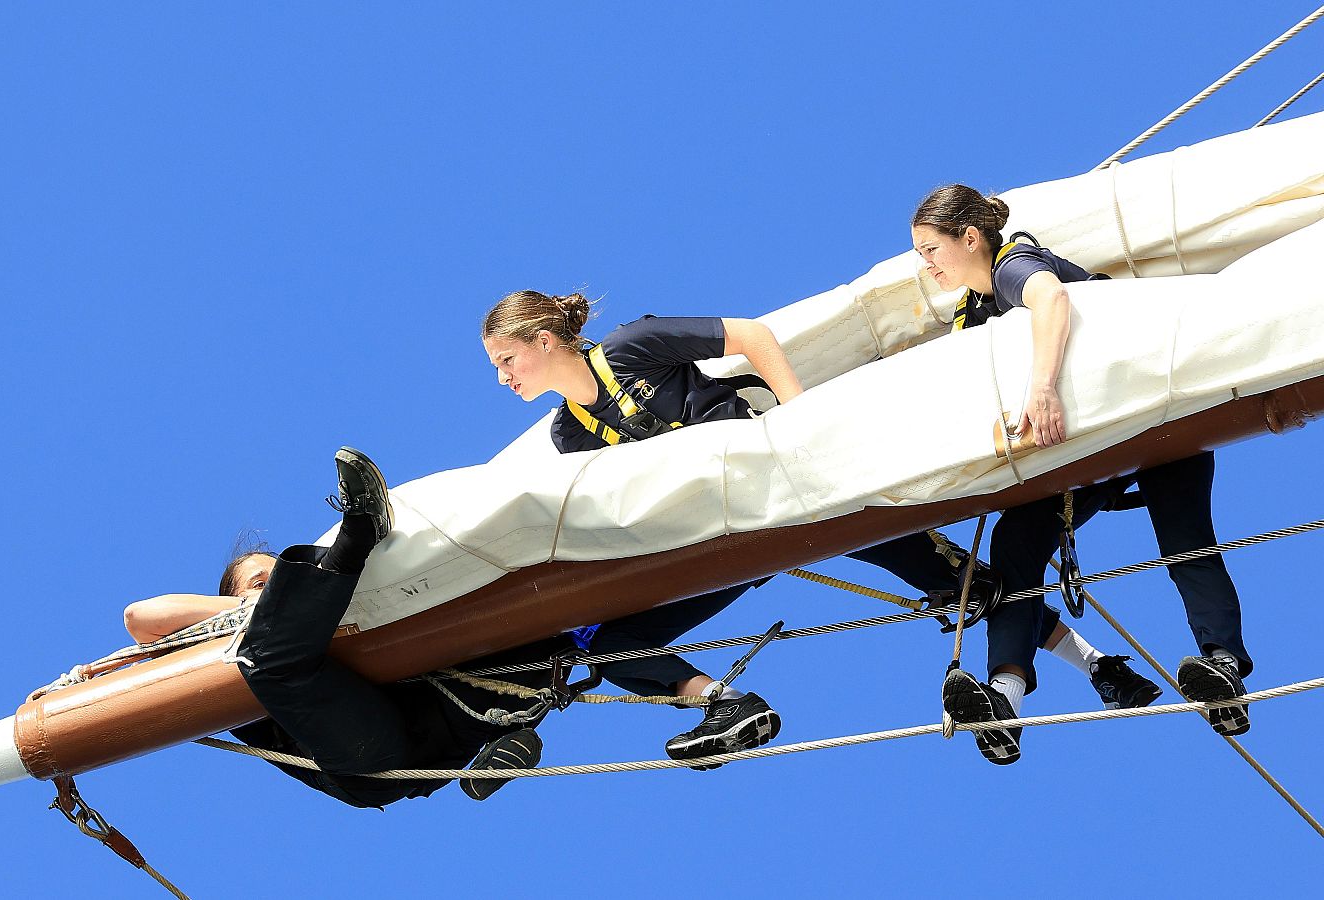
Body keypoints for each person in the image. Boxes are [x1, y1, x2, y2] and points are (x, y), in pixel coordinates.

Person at [479, 291, 1156, 764]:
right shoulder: (572, 433)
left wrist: (800, 425)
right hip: (723, 538)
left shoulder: (632, 346)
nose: (502, 377)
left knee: (965, 588)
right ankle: (724, 704)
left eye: (506, 360)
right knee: (611, 644)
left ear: (543, 341)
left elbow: (750, 336)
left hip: (787, 487)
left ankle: (1097, 664)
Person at [911, 184, 1253, 765]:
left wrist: (1041, 390)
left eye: (929, 249)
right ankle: (1005, 698)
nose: (925, 265)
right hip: (1094, 452)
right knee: (1017, 542)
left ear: (970, 238)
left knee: (1184, 539)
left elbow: (1051, 301)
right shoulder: (973, 316)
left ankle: (1223, 666)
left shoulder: (1014, 266)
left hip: (1153, 421)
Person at [128, 447, 567, 806]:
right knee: (266, 659)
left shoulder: (331, 610)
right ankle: (358, 534)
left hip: (443, 715)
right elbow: (141, 618)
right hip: (372, 758)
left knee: (531, 634)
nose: (276, 585)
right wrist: (249, 603)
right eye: (264, 580)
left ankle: (504, 739)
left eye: (281, 577)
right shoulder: (229, 641)